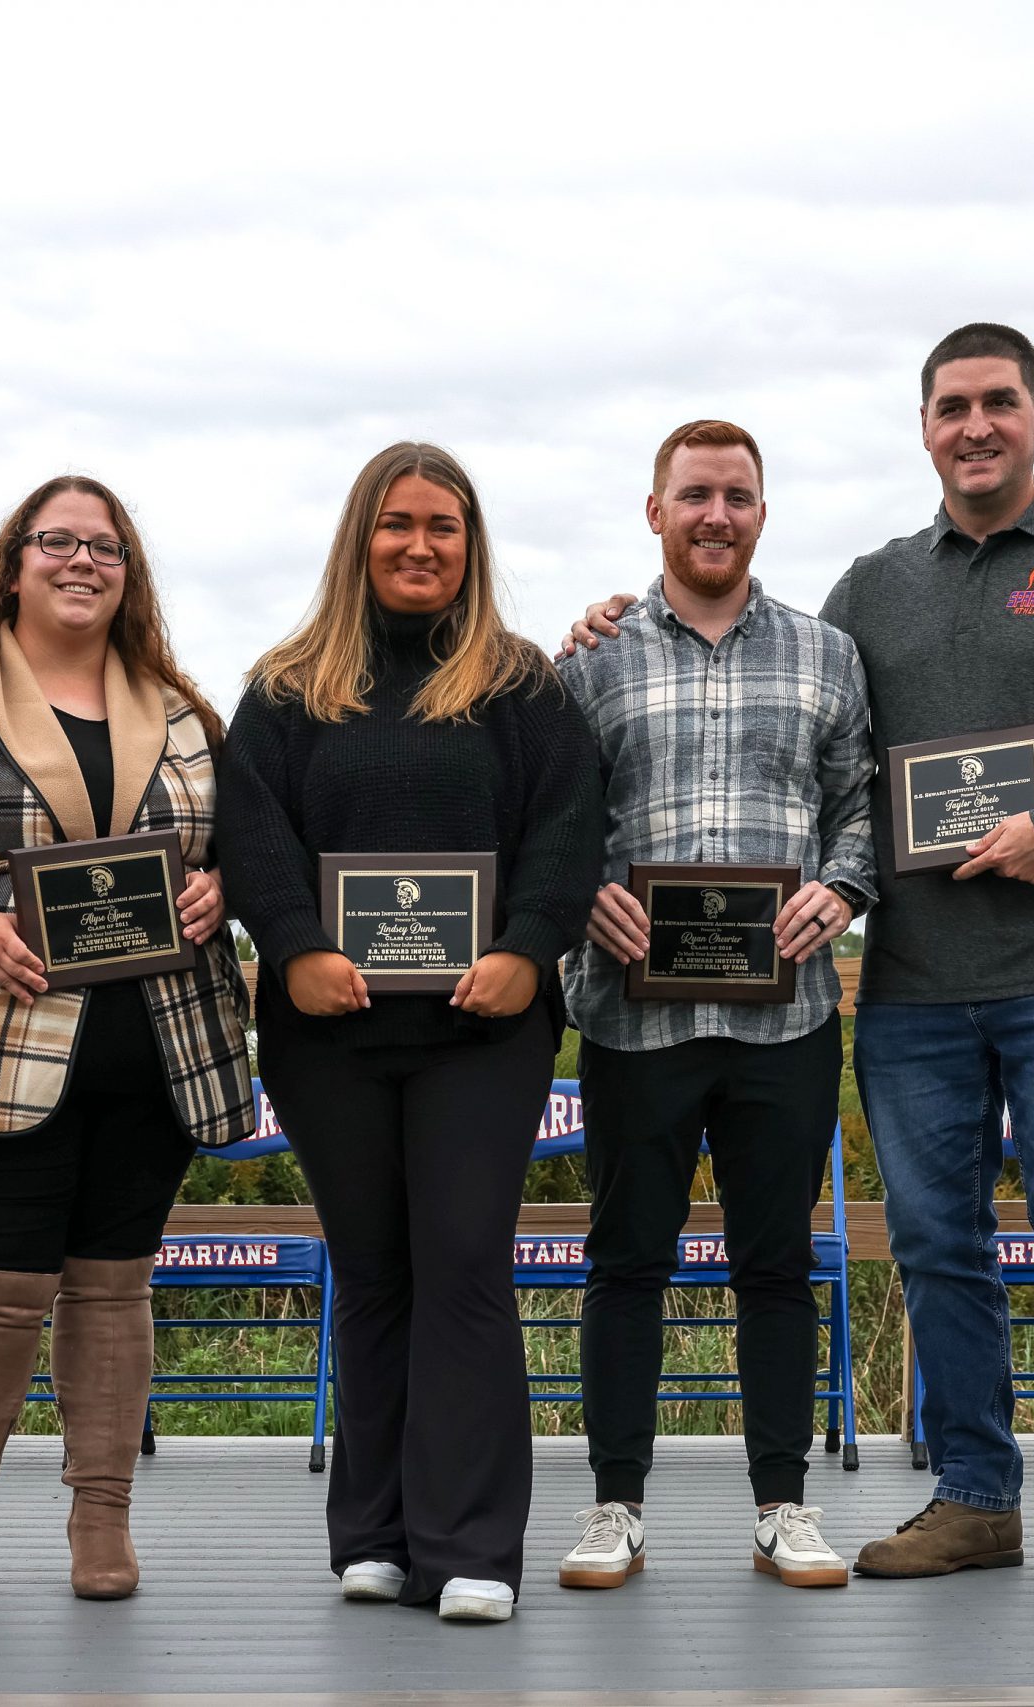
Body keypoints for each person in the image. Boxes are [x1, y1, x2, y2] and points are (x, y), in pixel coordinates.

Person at [572, 325, 1034, 1602]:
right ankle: (975, 1495)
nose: (974, 427)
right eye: (950, 408)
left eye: (997, 404)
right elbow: (845, 774)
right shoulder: (868, 592)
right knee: (934, 1242)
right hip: (913, 983)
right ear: (923, 427)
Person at [0, 476, 250, 1608]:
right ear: (14, 560)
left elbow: (231, 844)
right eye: (57, 542)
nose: (82, 561)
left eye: (104, 546)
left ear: (131, 570)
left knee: (117, 1290)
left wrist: (218, 890)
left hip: (159, 1043)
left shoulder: (176, 703)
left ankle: (100, 1520)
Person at [219, 441, 602, 1624]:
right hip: (328, 1032)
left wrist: (526, 949)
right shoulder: (286, 687)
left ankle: (472, 1544)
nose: (420, 545)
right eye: (398, 524)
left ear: (471, 545)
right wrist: (294, 947)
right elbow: (251, 831)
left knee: (465, 1265)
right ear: (361, 538)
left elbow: (569, 827)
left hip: (482, 1033)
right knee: (374, 1272)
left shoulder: (521, 686)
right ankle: (376, 1536)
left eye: (444, 526)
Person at [552, 420, 877, 1594]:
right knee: (624, 1260)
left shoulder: (827, 654)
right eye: (694, 494)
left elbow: (862, 802)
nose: (715, 515)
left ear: (760, 513)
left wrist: (841, 888)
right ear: (655, 511)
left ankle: (783, 1505)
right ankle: (613, 1507)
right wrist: (583, 890)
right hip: (631, 1019)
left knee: (775, 1265)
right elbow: (551, 817)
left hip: (782, 1017)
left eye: (737, 496)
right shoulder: (584, 662)